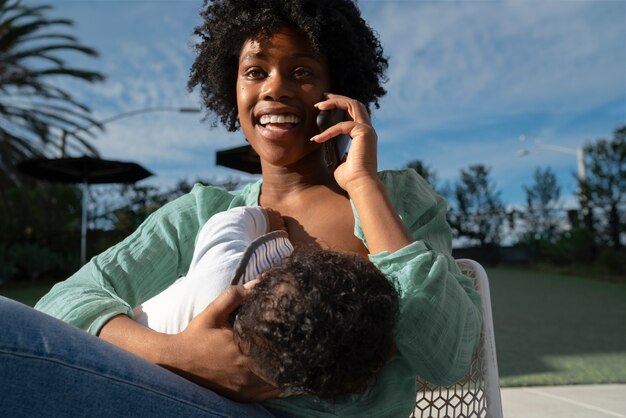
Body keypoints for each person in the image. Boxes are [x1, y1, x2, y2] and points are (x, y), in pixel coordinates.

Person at [1, 0, 483, 416]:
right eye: (255, 72)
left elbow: (448, 356)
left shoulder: (395, 198)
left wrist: (362, 185)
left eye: (302, 72)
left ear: (337, 94)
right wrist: (178, 354)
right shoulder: (202, 213)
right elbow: (63, 303)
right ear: (232, 91)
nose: (274, 87)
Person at [134, 206, 399, 400]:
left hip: (132, 330)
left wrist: (267, 220)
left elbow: (224, 223)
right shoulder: (276, 378)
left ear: (269, 275)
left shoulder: (229, 270)